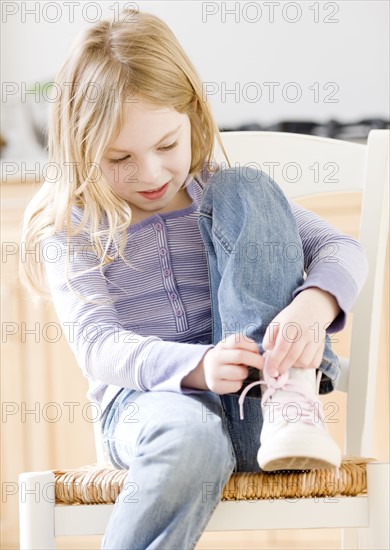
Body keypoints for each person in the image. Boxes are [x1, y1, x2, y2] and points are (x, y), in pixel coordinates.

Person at [20, 8, 368, 549]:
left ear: (193, 117)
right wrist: (197, 367)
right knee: (191, 436)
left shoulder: (216, 195)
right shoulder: (72, 227)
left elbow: (341, 249)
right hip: (147, 411)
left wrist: (312, 307)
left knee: (246, 186)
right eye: (120, 158)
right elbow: (97, 346)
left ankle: (285, 396)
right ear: (80, 148)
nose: (152, 174)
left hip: (258, 410)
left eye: (166, 146)